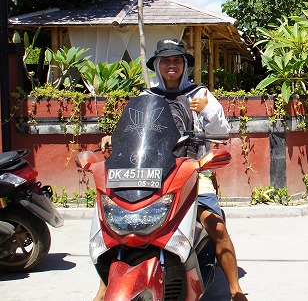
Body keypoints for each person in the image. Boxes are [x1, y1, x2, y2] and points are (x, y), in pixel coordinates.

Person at [94, 39, 247, 301]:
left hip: (193, 172)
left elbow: (222, 132)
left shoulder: (199, 95)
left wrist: (208, 110)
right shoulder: (146, 97)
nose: (171, 64)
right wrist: (113, 138)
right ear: (157, 65)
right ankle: (104, 289)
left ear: (184, 65)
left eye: (177, 60)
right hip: (152, 175)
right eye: (166, 60)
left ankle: (236, 290)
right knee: (117, 232)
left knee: (216, 227)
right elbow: (131, 132)